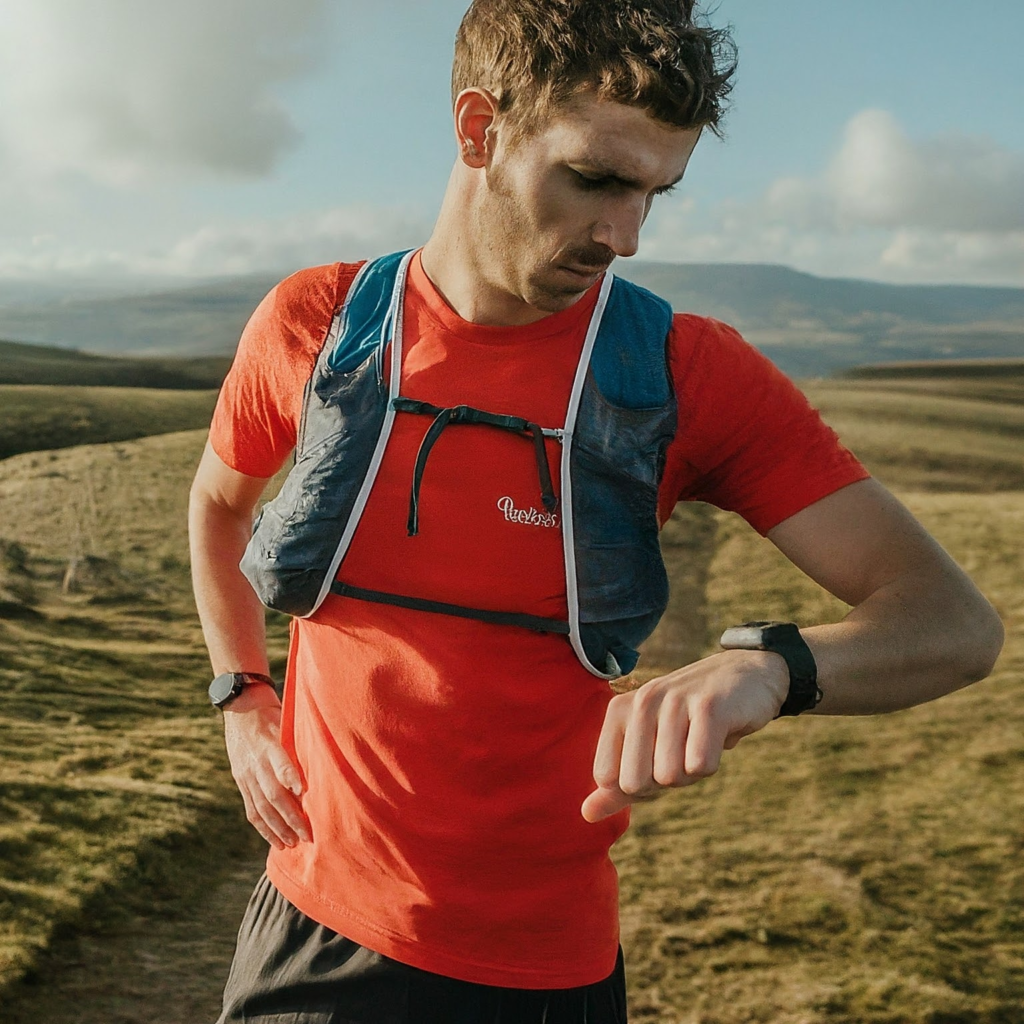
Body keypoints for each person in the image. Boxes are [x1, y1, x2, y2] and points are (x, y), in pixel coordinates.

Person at [188, 2, 1005, 1021]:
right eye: (598, 180)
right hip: (310, 934)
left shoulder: (685, 374)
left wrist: (771, 667)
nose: (623, 235)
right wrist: (240, 695)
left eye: (656, 193)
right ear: (480, 130)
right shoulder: (316, 327)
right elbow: (219, 509)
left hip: (545, 975)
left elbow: (953, 625)